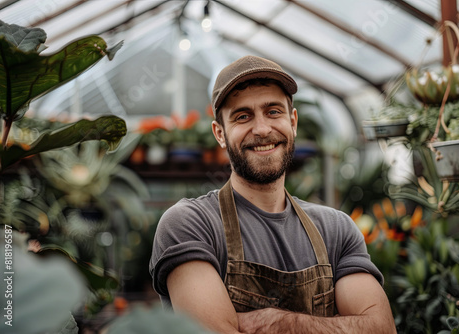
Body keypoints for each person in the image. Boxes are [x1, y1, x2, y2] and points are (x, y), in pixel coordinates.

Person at [150, 55, 396, 334]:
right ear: (220, 134)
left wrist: (280, 323)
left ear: (293, 121)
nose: (263, 129)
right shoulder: (192, 224)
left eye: (273, 111)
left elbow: (381, 328)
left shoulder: (336, 229)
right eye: (243, 116)